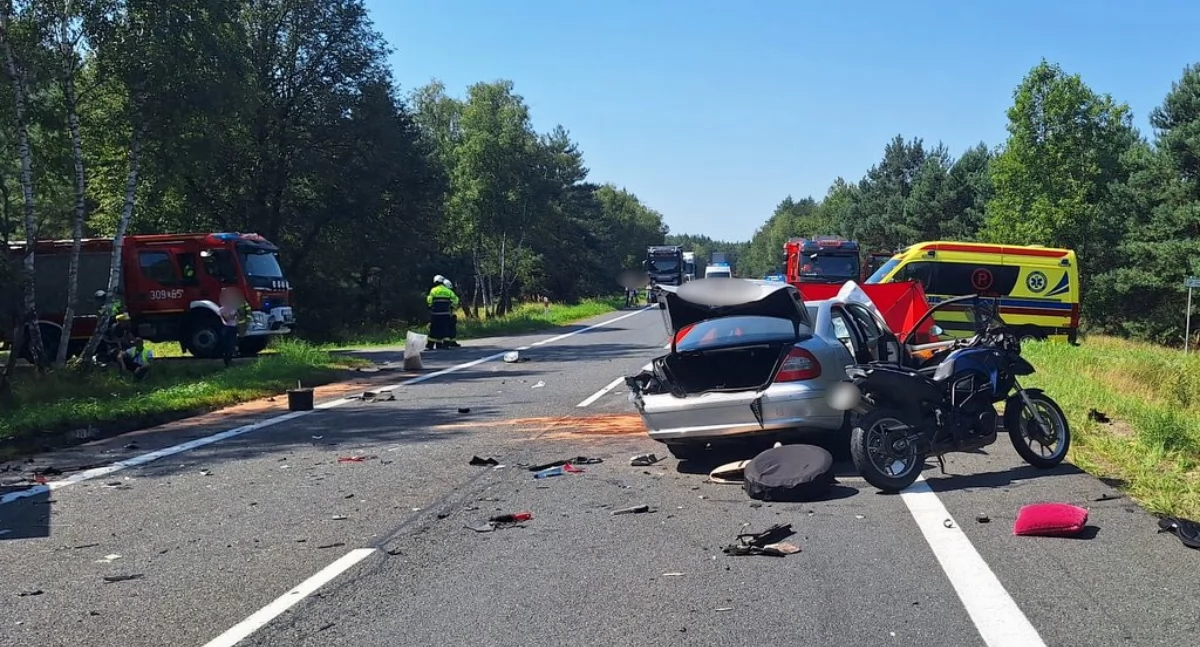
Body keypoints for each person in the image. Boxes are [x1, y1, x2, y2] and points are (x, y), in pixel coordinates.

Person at [426, 275, 458, 350]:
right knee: (445, 328)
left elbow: (429, 300)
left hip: (435, 313)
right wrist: (452, 306)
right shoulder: (448, 291)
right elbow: (456, 300)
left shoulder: (433, 290)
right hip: (446, 314)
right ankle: (446, 345)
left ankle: (430, 345)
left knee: (434, 329)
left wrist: (431, 307)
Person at [218, 288, 242, 367]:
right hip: (227, 328)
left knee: (232, 343)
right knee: (227, 344)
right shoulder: (221, 309)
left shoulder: (234, 308)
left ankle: (230, 359)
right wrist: (234, 315)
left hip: (233, 328)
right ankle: (227, 360)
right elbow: (227, 318)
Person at [441, 279, 462, 348]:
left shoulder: (439, 291)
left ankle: (451, 342)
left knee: (450, 327)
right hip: (446, 313)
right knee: (448, 328)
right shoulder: (447, 292)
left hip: (445, 313)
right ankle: (448, 342)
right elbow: (455, 302)